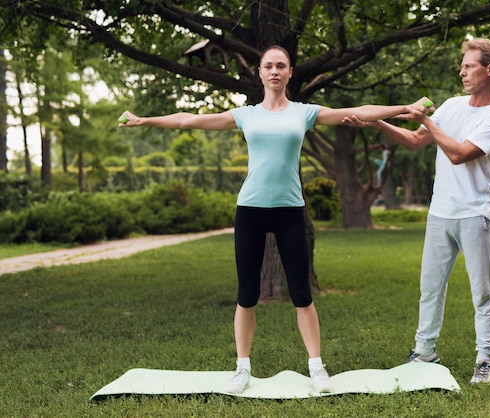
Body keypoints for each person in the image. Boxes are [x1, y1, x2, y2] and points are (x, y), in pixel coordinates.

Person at [118, 45, 430, 394]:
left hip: (290, 211)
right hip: (249, 210)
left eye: (281, 66)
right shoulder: (246, 115)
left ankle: (317, 367)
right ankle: (242, 367)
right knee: (246, 295)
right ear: (260, 72)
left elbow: (358, 110)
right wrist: (144, 120)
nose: (275, 71)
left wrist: (406, 108)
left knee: (301, 295)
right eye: (269, 66)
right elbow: (189, 120)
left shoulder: (305, 112)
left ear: (290, 72)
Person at [342, 38, 490, 384]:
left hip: (475, 214)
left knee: (483, 291)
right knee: (430, 287)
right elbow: (415, 140)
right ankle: (425, 352)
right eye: (462, 66)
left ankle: (484, 359)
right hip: (440, 213)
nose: (462, 72)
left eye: (469, 66)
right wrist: (376, 123)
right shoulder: (451, 106)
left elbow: (458, 153)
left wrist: (427, 120)